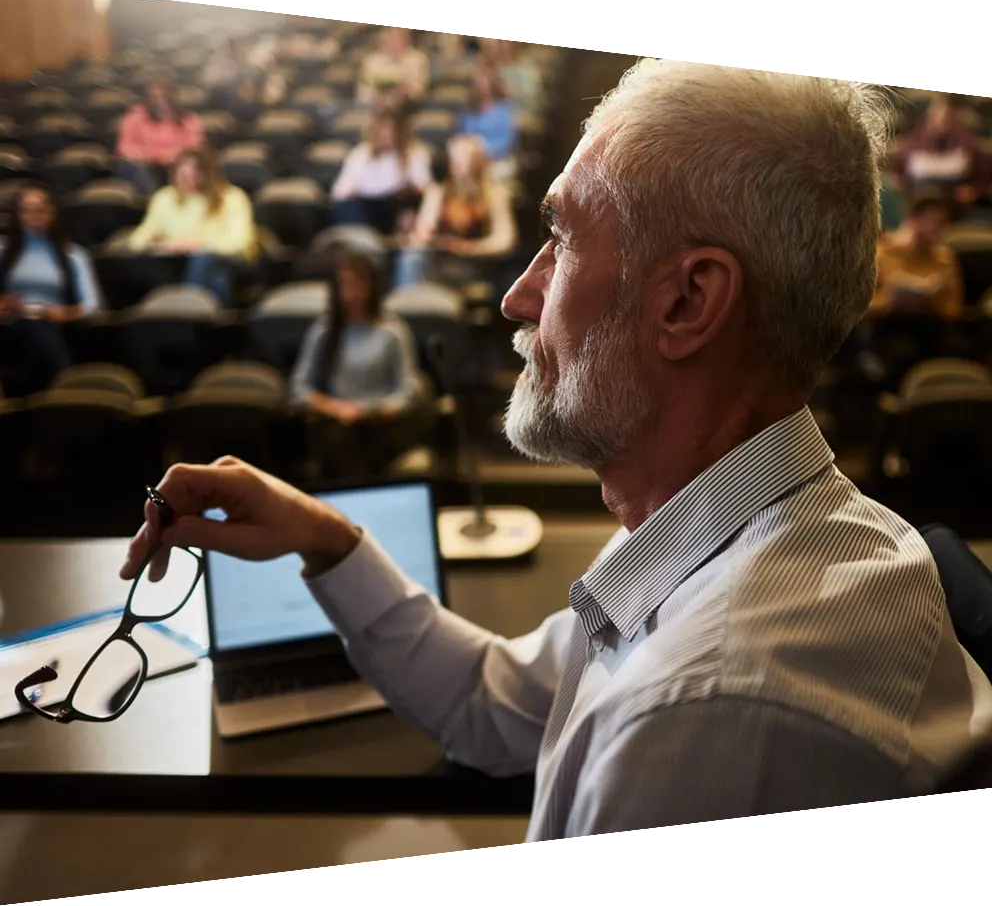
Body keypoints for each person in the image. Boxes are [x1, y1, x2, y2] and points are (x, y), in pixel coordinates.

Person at [121, 61, 992, 842]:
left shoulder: (702, 718)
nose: (515, 296)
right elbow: (493, 704)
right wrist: (323, 536)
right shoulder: (716, 517)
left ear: (688, 302)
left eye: (563, 238)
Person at [288, 246, 429, 476]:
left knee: (348, 442)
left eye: (359, 283)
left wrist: (368, 411)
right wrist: (334, 408)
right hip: (335, 419)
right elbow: (299, 388)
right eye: (346, 284)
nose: (352, 292)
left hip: (379, 424)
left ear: (372, 286)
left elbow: (406, 393)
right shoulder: (324, 331)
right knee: (332, 438)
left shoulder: (392, 331)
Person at [0, 183, 102, 396]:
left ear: (51, 213)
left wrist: (66, 312)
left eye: (39, 210)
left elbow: (93, 305)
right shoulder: (3, 249)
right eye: (26, 210)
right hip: (9, 325)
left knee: (38, 331)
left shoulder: (73, 255)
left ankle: (56, 392)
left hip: (52, 323)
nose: (32, 216)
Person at [128, 148, 257, 305]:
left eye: (196, 175)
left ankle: (190, 309)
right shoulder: (165, 197)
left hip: (227, 259)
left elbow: (239, 243)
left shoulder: (232, 198)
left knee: (206, 262)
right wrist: (161, 244)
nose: (190, 180)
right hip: (180, 258)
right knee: (157, 264)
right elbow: (137, 240)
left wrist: (199, 244)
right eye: (183, 175)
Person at [393, 134, 517, 289]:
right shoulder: (438, 192)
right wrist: (426, 235)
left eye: (465, 158)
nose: (458, 164)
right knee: (412, 258)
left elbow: (505, 241)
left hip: (475, 263)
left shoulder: (495, 194)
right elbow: (424, 230)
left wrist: (469, 248)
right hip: (441, 259)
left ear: (479, 161)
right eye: (455, 158)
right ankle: (406, 304)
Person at [330, 107, 433, 235]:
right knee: (348, 207)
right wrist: (353, 191)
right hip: (366, 206)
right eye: (383, 129)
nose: (387, 134)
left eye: (392, 129)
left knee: (409, 209)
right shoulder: (361, 153)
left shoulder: (415, 153)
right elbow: (339, 191)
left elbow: (426, 187)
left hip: (398, 205)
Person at [871, 194, 965, 320]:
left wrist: (933, 301)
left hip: (933, 325)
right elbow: (862, 307)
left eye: (942, 224)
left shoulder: (945, 257)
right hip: (888, 324)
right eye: (931, 221)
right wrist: (890, 301)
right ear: (913, 221)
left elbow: (954, 308)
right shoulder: (883, 253)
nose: (936, 230)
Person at [890, 99, 987, 213]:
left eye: (947, 117)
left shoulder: (969, 144)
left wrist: (974, 191)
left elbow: (983, 176)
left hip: (957, 206)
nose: (942, 121)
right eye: (938, 117)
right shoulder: (911, 145)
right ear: (928, 119)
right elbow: (897, 177)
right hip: (920, 205)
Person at [115, 78, 205, 196]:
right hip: (144, 165)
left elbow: (194, 145)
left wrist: (167, 156)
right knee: (131, 166)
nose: (160, 101)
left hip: (175, 163)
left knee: (191, 164)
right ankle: (153, 200)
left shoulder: (188, 118)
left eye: (164, 96)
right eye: (154, 97)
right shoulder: (134, 117)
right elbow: (125, 148)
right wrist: (153, 156)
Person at [456, 62, 518, 180]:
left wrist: (482, 152)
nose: (482, 86)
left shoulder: (505, 110)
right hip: (470, 161)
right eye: (479, 82)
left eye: (485, 81)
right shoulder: (468, 110)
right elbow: (461, 136)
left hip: (497, 160)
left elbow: (508, 142)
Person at [356, 26, 431, 106]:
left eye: (396, 39)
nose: (392, 43)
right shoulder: (371, 61)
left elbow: (419, 90)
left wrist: (405, 90)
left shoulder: (418, 59)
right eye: (388, 40)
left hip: (408, 107)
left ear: (406, 40)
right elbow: (364, 93)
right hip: (374, 106)